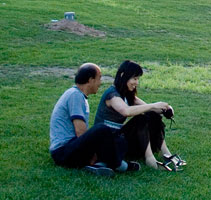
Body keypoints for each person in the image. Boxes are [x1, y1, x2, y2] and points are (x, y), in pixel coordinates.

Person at [49, 63, 140, 177]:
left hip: (71, 148)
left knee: (118, 138)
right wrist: (93, 153)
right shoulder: (75, 95)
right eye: (99, 78)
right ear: (90, 80)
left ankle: (100, 165)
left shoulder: (79, 95)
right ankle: (119, 165)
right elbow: (80, 132)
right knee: (102, 129)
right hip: (63, 152)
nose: (100, 83)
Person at [94, 60, 186, 171]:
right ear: (123, 76)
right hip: (108, 141)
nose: (136, 83)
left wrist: (166, 109)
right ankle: (149, 158)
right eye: (134, 78)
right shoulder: (112, 94)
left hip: (120, 139)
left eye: (138, 79)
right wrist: (153, 106)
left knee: (152, 115)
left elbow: (150, 108)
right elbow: (126, 111)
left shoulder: (126, 94)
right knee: (141, 119)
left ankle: (165, 153)